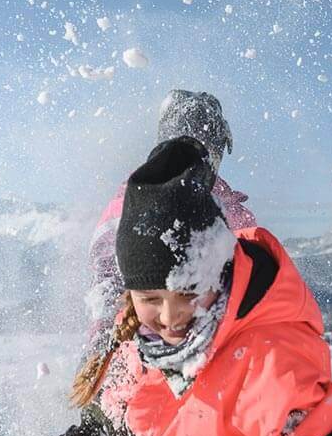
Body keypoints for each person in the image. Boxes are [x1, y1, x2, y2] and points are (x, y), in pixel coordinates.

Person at [0, 137, 332, 436]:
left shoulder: (264, 354)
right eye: (152, 300)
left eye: (190, 292)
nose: (171, 317)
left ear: (219, 273)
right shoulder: (139, 346)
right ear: (130, 295)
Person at [85, 89, 255, 358]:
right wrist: (105, 334)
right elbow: (107, 266)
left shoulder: (224, 203)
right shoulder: (140, 195)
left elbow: (250, 267)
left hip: (213, 341)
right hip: (143, 341)